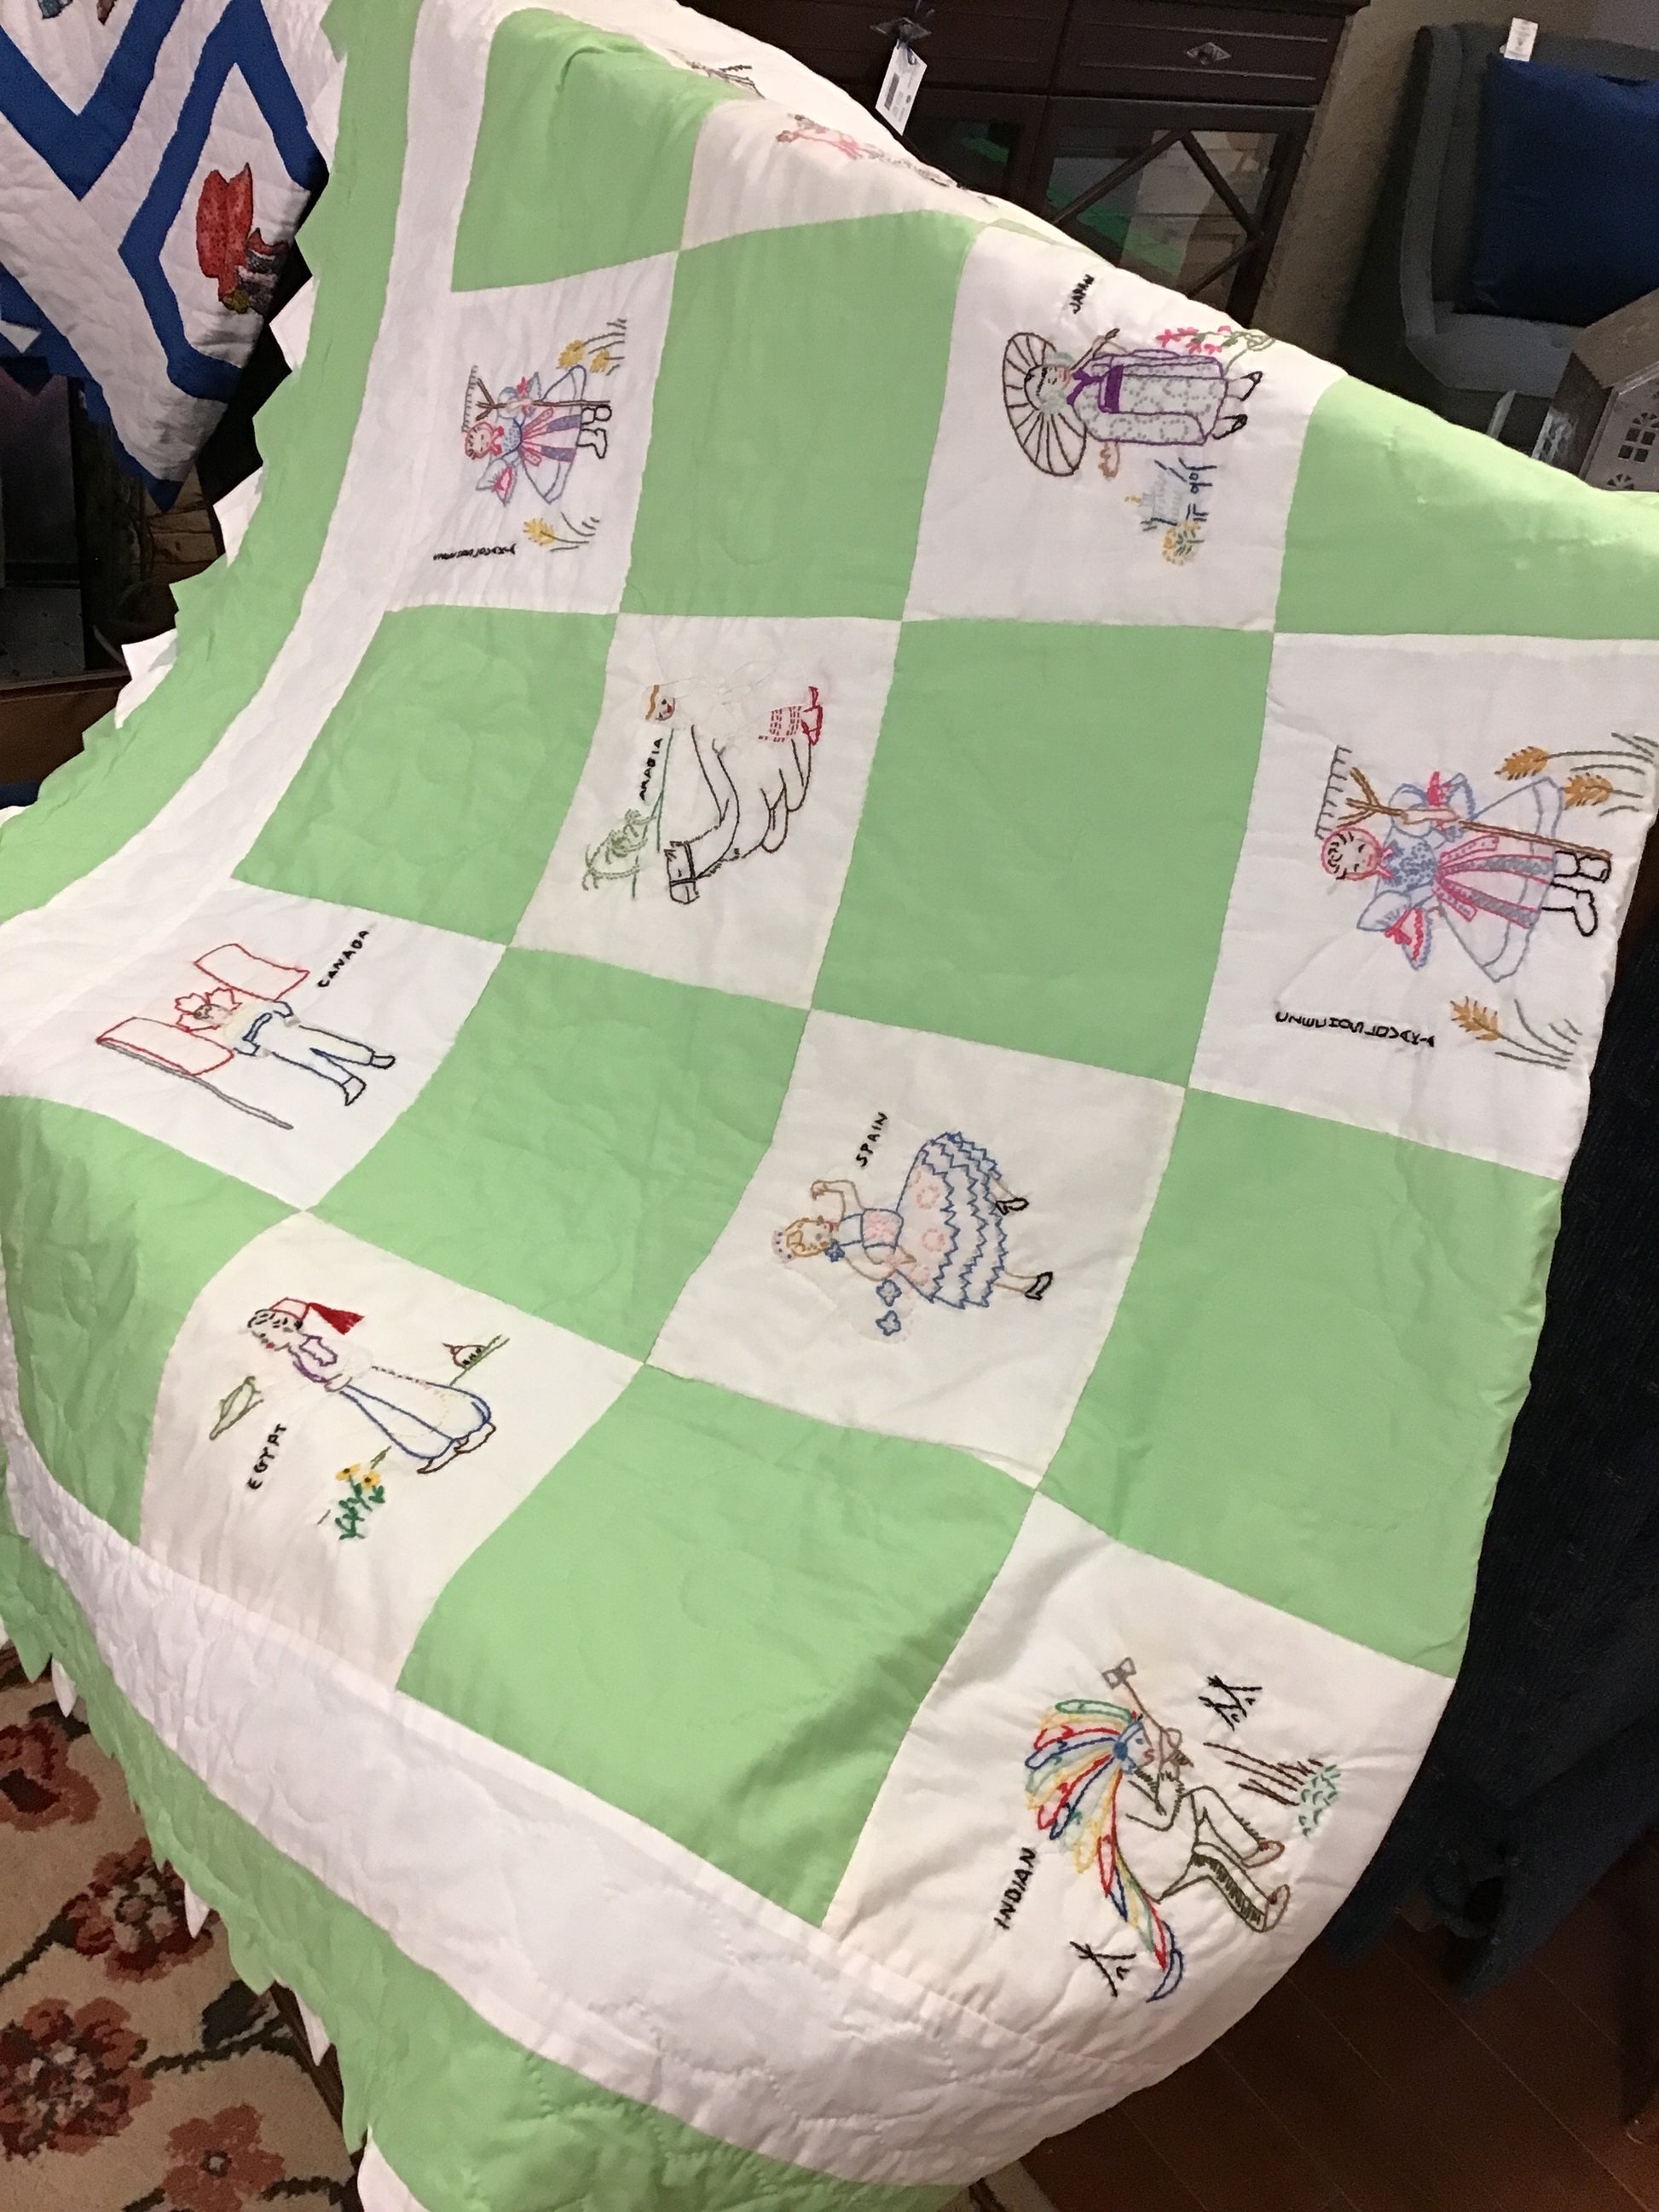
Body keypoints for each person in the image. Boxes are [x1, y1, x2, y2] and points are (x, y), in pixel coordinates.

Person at [1321, 771, 1610, 979]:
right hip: (1459, 893)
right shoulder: (1387, 890)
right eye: (1356, 866)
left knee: (1527, 859)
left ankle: (1583, 866)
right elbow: (1392, 912)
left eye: (1360, 847)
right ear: (1354, 876)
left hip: (1469, 851)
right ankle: (1575, 900)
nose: (1364, 858)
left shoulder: (1402, 831)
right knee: (1517, 900)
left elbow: (1449, 817)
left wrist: (1423, 814)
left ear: (1366, 836)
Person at [774, 1133, 1052, 1334]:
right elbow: (872, 1269)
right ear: (818, 1249)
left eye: (816, 1229)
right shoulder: (846, 1248)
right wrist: (890, 1258)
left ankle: (999, 1198)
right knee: (963, 1267)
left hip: (912, 1220)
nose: (823, 1233)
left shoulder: (848, 1219)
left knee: (941, 1167)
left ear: (816, 1220)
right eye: (818, 1241)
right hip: (913, 1251)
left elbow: (848, 1191)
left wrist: (826, 1186)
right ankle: (1025, 1285)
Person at [246, 1301, 494, 1474]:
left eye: (266, 1336)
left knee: (416, 1401)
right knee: (394, 1419)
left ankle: (473, 1427)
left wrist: (346, 1374)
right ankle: (439, 1449)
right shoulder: (296, 1355)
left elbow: (356, 1356)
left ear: (285, 1327)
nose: (267, 1342)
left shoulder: (316, 1343)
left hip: (370, 1381)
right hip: (355, 1391)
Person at [174, 985, 393, 1106]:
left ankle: (372, 1058)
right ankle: (350, 1083)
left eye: (215, 1009)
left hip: (293, 1032)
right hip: (283, 1048)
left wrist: (289, 1017)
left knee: (335, 1045)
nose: (216, 1014)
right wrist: (259, 1051)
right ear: (210, 1023)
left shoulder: (248, 1008)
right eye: (210, 1016)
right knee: (315, 1063)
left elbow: (275, 1006)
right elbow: (243, 1046)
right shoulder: (230, 1033)